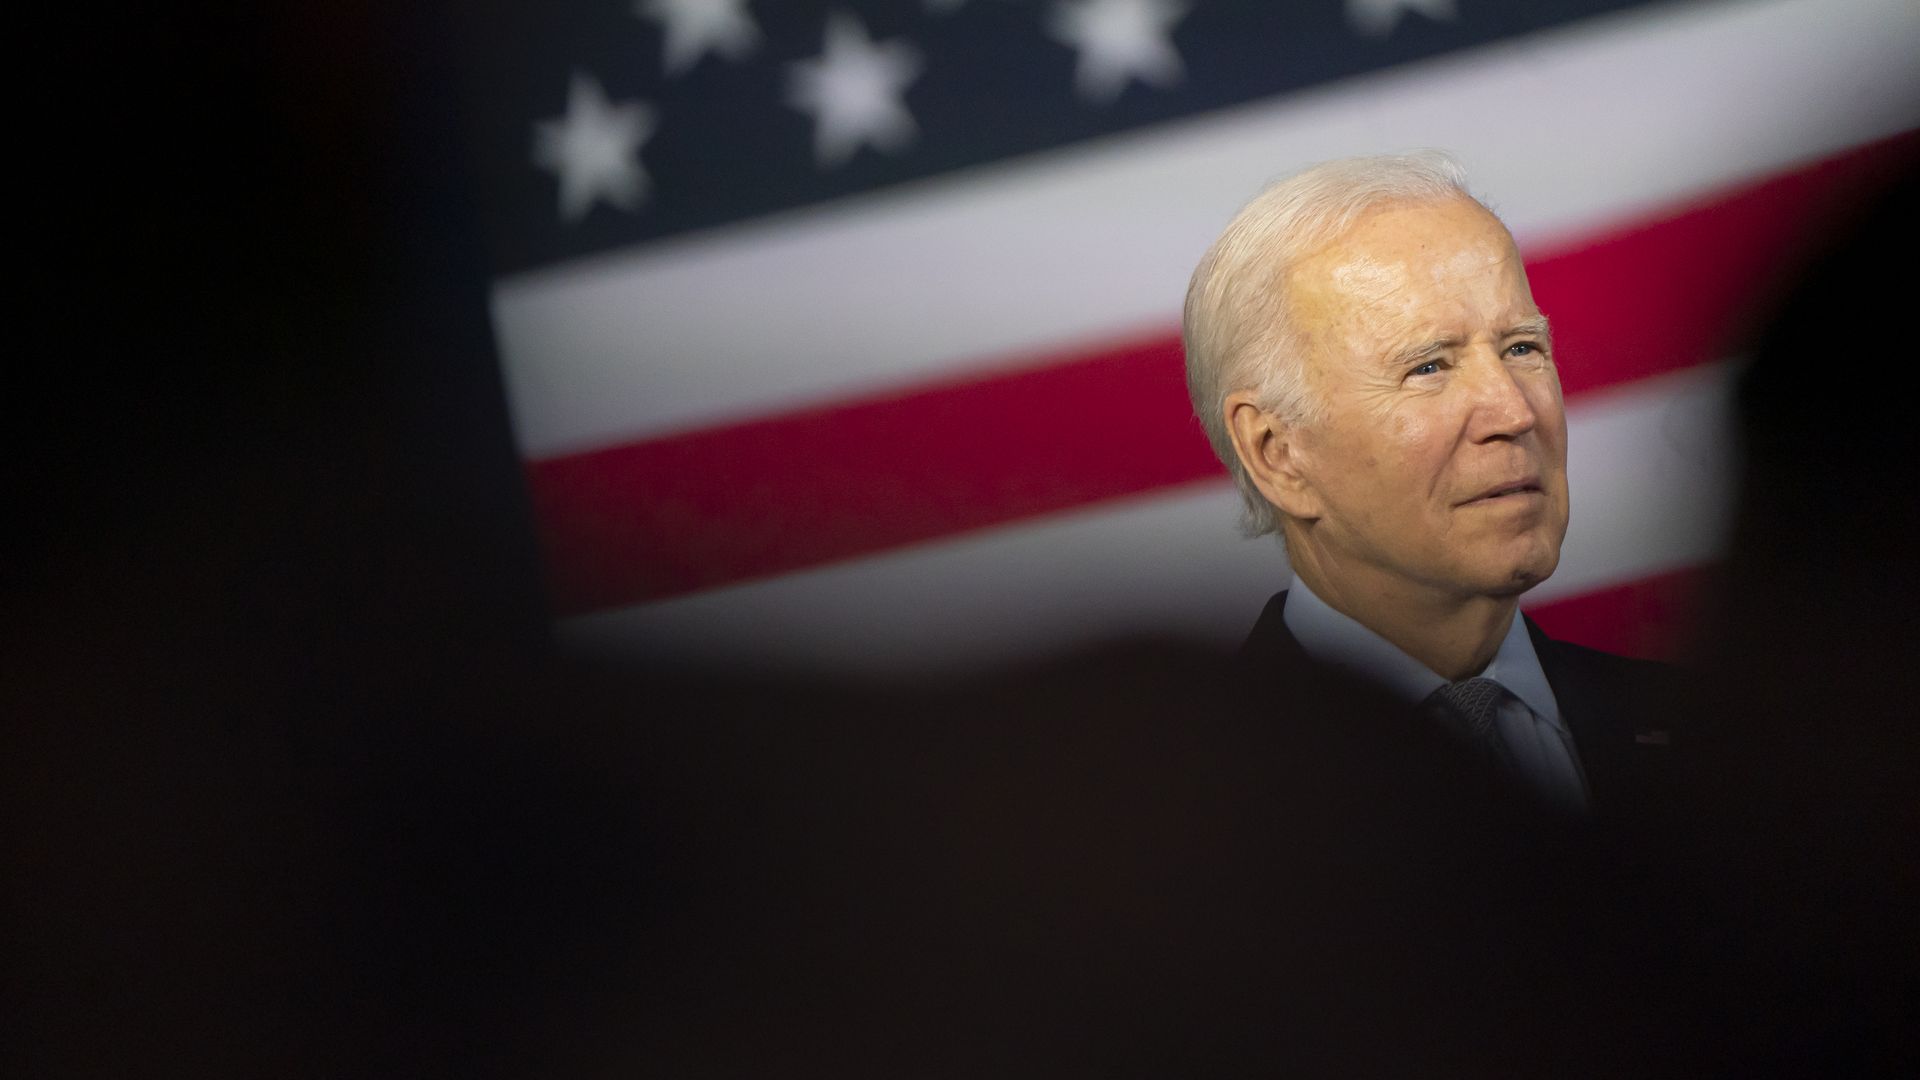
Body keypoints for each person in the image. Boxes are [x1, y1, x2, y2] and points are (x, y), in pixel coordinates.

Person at [1183, 151, 1673, 818]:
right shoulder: (1183, 809)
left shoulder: (1719, 736)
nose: (1514, 413)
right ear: (1279, 454)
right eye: (1429, 367)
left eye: (1522, 348)